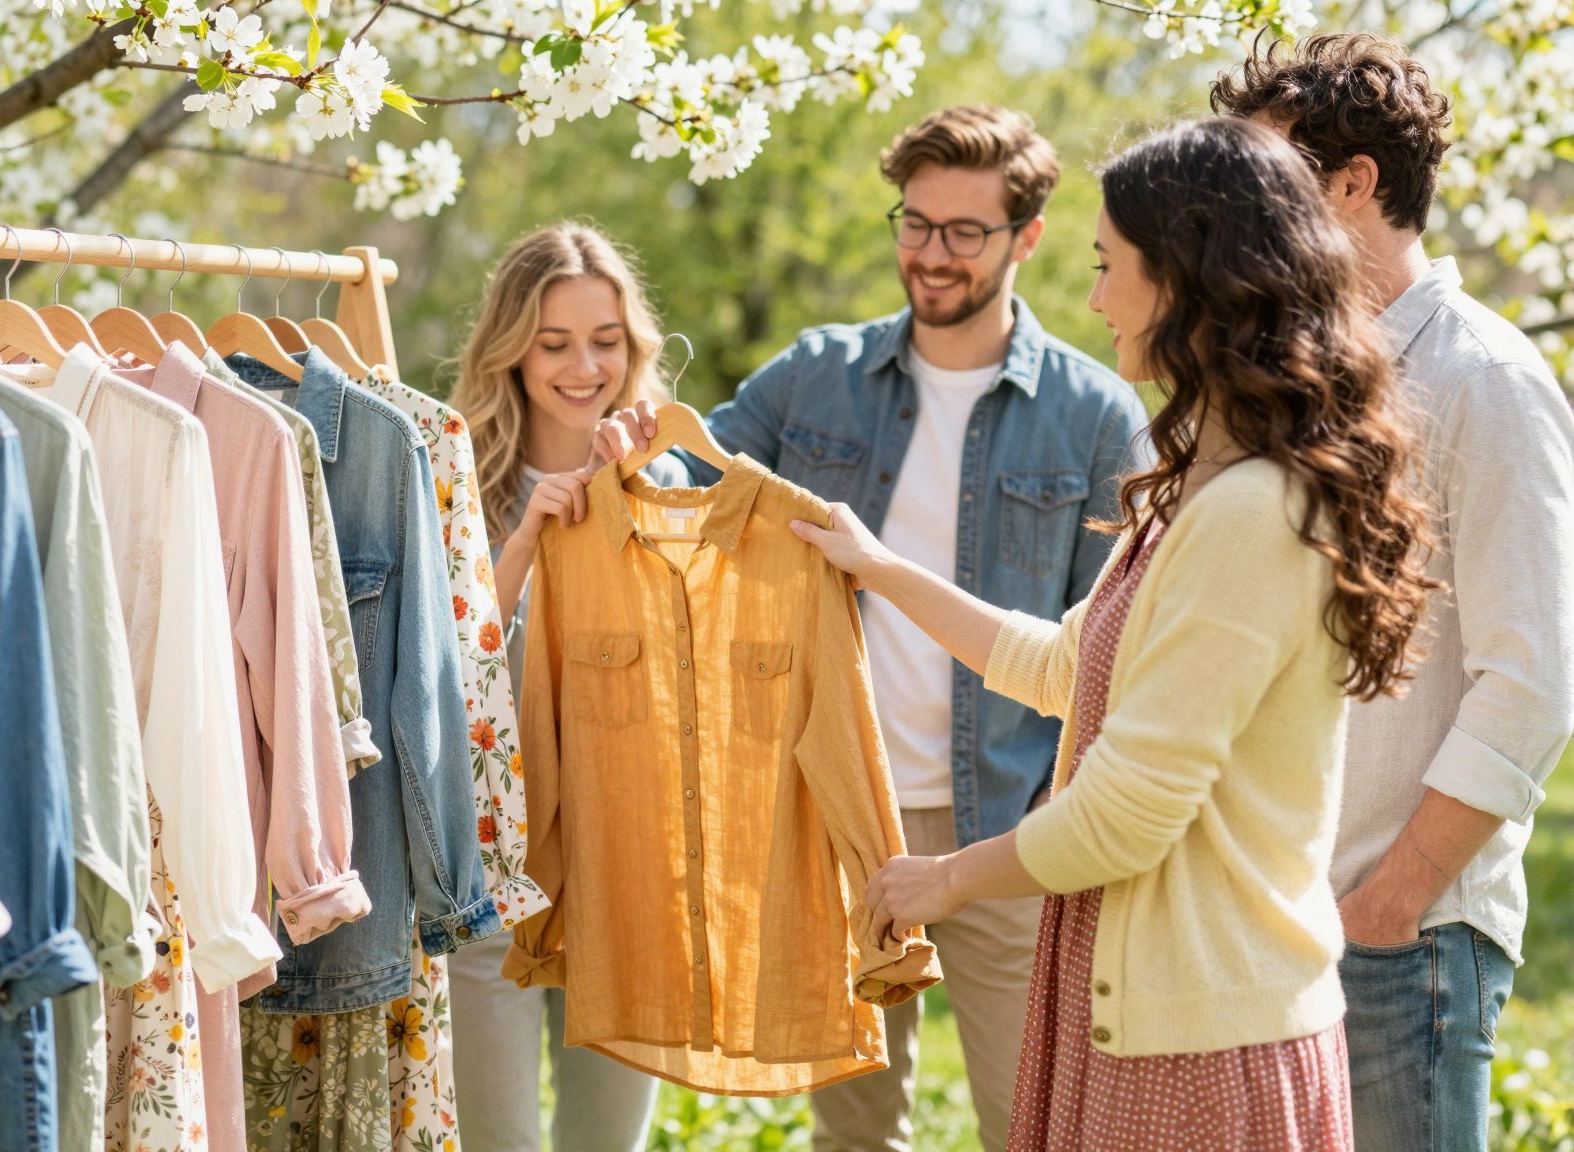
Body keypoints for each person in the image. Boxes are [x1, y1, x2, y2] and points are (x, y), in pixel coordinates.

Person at [792, 115, 1437, 1148]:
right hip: (1154, 1019)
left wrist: (941, 879)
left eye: (1107, 266)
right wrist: (880, 571)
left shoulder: (1248, 516)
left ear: (1186, 279)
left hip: (1201, 1045)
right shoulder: (1201, 489)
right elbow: (1061, 667)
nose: (1092, 299)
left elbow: (1126, 811)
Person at [592, 105, 1147, 1152]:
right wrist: (633, 449)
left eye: (963, 232)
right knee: (853, 1131)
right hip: (841, 808)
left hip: (1009, 832)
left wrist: (1059, 820)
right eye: (914, 223)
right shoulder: (818, 375)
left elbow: (1105, 656)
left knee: (1032, 1125)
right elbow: (692, 478)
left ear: (1026, 238)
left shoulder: (1096, 415)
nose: (930, 254)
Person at [1211, 34, 1574, 1150]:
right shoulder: (1298, 384)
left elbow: (1532, 681)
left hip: (1397, 942)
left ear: (1352, 183)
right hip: (1275, 933)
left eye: (1268, 187)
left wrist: (1386, 904)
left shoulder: (1486, 380)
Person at [443, 222, 684, 1152]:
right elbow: (440, 679)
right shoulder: (448, 478)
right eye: (554, 343)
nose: (584, 367)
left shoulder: (670, 488)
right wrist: (523, 546)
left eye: (605, 340)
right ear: (512, 348)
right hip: (488, 879)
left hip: (625, 885)